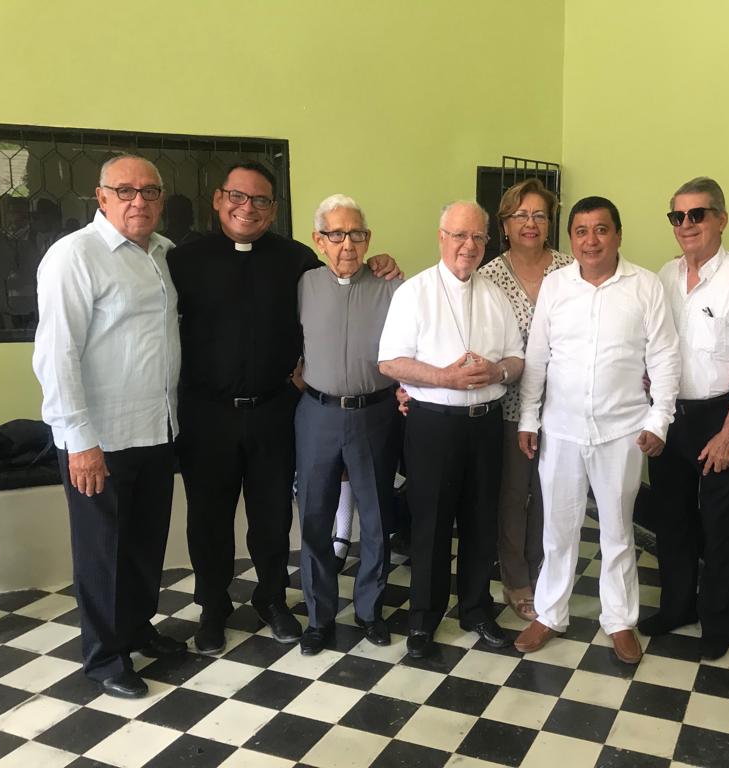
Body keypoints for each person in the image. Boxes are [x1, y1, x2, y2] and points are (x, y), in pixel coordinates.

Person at [168, 162, 398, 655]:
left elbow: (345, 284)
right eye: (237, 196)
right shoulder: (184, 260)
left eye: (260, 200)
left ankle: (272, 600)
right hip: (207, 414)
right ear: (217, 199)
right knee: (208, 519)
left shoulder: (297, 261)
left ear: (274, 208)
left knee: (273, 516)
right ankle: (213, 609)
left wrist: (380, 261)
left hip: (275, 411)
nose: (247, 208)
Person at [33, 155, 183, 698]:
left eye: (149, 191)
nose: (137, 200)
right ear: (101, 197)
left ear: (161, 199)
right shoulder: (75, 256)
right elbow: (56, 355)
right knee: (102, 552)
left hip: (156, 430)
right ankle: (103, 658)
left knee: (145, 544)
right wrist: (79, 441)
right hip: (99, 439)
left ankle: (138, 629)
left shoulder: (162, 253)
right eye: (124, 191)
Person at [514, 196, 681, 665]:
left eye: (601, 230)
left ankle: (620, 620)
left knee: (617, 531)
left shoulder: (645, 286)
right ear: (571, 239)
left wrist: (658, 420)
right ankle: (550, 613)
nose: (591, 240)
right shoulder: (555, 286)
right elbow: (537, 359)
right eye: (581, 231)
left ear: (618, 234)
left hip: (622, 431)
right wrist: (529, 418)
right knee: (558, 529)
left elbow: (665, 357)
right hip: (562, 430)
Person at [378, 201, 524, 659]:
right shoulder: (413, 293)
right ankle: (423, 618)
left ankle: (476, 609)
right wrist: (446, 377)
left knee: (482, 520)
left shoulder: (496, 295)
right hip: (433, 425)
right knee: (432, 524)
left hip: (485, 427)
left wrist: (497, 371)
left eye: (478, 237)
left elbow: (518, 360)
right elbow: (389, 361)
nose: (469, 246)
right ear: (441, 237)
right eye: (460, 235)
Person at [639, 177, 729, 660]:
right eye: (678, 216)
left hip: (721, 413)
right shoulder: (663, 277)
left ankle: (719, 620)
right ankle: (677, 607)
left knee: (721, 525)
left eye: (698, 214)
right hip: (671, 415)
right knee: (670, 518)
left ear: (721, 219)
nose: (687, 224)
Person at [295, 194, 401, 654]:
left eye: (356, 234)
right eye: (335, 235)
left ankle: (369, 610)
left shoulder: (392, 285)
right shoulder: (303, 284)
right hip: (316, 414)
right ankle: (319, 617)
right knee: (314, 517)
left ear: (368, 238)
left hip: (375, 413)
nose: (347, 245)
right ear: (319, 240)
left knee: (376, 519)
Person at [478, 178, 573, 621]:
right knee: (514, 495)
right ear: (505, 224)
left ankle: (548, 574)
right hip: (511, 408)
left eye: (538, 214)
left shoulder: (572, 270)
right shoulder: (489, 277)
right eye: (520, 215)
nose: (530, 223)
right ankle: (516, 578)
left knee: (554, 496)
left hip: (568, 406)